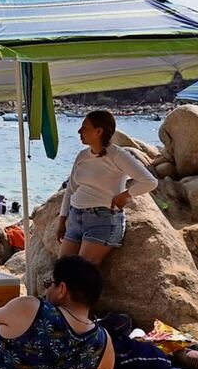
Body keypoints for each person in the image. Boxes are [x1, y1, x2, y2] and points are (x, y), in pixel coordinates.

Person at [57, 110, 158, 266]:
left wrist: (125, 196)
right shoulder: (82, 156)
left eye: (84, 128)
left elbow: (149, 181)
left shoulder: (118, 155)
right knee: (61, 270)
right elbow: (71, 189)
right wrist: (61, 220)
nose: (79, 131)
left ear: (99, 131)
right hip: (75, 219)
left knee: (81, 274)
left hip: (103, 221)